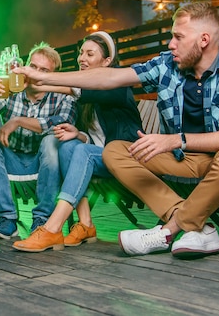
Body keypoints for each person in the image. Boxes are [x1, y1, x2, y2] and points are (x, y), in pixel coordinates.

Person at [13, 2, 219, 258]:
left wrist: (174, 140)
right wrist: (43, 79)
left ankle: (167, 231)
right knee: (114, 151)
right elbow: (109, 78)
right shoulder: (167, 65)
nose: (171, 44)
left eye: (178, 37)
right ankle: (194, 223)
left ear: (204, 39)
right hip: (184, 160)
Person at [12, 32, 142, 252]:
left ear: (107, 61)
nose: (82, 58)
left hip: (127, 155)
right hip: (100, 156)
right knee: (68, 144)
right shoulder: (85, 99)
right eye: (81, 52)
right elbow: (95, 138)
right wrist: (78, 134)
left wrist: (37, 82)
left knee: (81, 152)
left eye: (90, 54)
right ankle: (86, 224)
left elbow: (75, 89)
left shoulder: (116, 84)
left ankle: (52, 228)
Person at [0, 42, 77, 239]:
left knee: (52, 142)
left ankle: (43, 219)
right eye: (33, 67)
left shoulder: (62, 95)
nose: (35, 73)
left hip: (45, 163)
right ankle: (7, 219)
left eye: (44, 70)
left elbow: (61, 123)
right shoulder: (12, 87)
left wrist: (18, 121)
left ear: (53, 74)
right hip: (11, 158)